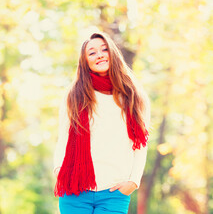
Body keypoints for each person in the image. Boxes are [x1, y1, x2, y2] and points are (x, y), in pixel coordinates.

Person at [53, 32, 151, 214]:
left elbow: (140, 145)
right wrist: (59, 170)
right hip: (75, 189)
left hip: (114, 192)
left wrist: (133, 182)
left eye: (104, 49)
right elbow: (63, 138)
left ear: (112, 53)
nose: (99, 55)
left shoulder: (134, 96)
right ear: (85, 61)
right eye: (92, 52)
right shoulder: (73, 96)